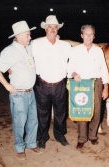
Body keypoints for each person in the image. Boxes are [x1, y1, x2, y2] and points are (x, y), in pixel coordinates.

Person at [0, 21, 43, 160]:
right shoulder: (10, 51)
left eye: (29, 35)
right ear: (18, 36)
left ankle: (31, 144)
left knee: (33, 120)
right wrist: (7, 85)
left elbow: (39, 41)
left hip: (31, 92)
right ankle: (20, 147)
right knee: (20, 122)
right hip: (19, 94)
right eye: (27, 35)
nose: (30, 37)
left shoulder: (28, 46)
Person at [32, 15, 71, 149]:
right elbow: (23, 55)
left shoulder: (65, 45)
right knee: (42, 113)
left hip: (60, 84)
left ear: (58, 30)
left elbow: (74, 58)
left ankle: (60, 135)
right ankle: (42, 138)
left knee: (60, 113)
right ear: (45, 29)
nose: (53, 29)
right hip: (42, 85)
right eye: (50, 27)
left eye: (55, 27)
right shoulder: (36, 44)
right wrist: (11, 67)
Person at [67, 25, 109, 149]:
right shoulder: (75, 50)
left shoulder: (98, 50)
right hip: (81, 84)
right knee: (82, 111)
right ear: (81, 35)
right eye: (86, 34)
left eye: (91, 34)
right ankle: (82, 138)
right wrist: (74, 74)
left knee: (97, 111)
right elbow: (69, 68)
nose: (89, 37)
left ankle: (93, 136)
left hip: (96, 83)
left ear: (94, 36)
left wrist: (105, 87)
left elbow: (104, 69)